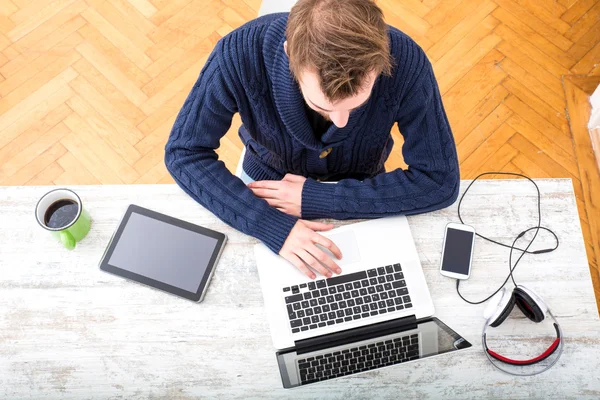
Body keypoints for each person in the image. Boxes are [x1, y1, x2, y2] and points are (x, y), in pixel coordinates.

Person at [164, 0, 459, 280]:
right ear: (290, 54)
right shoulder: (237, 54)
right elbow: (184, 153)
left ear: (381, 59)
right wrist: (270, 225)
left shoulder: (407, 62)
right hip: (266, 192)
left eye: (356, 105)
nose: (343, 121)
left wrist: (319, 198)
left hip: (364, 189)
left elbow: (439, 180)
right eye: (323, 107)